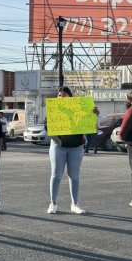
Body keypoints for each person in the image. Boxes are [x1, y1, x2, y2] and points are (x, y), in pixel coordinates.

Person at [46, 87, 92, 215]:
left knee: (74, 176)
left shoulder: (79, 109)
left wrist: (93, 114)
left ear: (70, 97)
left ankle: (75, 204)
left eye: (64, 95)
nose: (61, 97)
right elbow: (47, 125)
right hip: (58, 146)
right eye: (59, 95)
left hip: (76, 147)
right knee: (56, 175)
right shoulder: (53, 109)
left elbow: (90, 125)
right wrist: (57, 139)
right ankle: (53, 203)